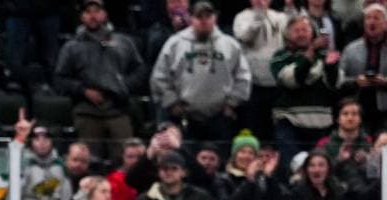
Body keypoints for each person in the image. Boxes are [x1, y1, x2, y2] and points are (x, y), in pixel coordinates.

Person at [54, 0, 146, 167]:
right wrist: (83, 90)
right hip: (87, 111)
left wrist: (123, 85)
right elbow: (60, 79)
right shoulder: (72, 47)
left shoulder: (123, 42)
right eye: (88, 12)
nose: (92, 16)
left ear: (105, 14)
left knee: (128, 161)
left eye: (97, 11)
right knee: (88, 162)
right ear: (82, 17)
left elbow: (140, 71)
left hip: (118, 109)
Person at [150, 1, 252, 147]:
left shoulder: (230, 45)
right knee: (184, 163)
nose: (203, 20)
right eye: (199, 16)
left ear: (215, 18)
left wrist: (232, 104)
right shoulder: (175, 43)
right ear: (191, 18)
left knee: (218, 159)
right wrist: (172, 103)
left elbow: (243, 78)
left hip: (220, 116)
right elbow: (159, 77)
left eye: (208, 16)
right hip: (183, 116)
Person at [270, 13, 343, 166]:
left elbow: (335, 85)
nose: (301, 34)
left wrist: (331, 67)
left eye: (305, 29)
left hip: (321, 124)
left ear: (313, 32)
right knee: (292, 168)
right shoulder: (280, 57)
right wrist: (310, 54)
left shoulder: (324, 55)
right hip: (290, 123)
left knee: (320, 168)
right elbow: (292, 80)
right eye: (296, 30)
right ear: (287, 34)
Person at [234, 0, 290, 139]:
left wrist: (290, 10)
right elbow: (245, 36)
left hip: (278, 84)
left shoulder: (281, 17)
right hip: (253, 85)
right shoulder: (242, 17)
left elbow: (291, 37)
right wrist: (259, 17)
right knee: (254, 128)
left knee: (277, 129)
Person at [339, 3, 387, 132]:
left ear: (385, 24)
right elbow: (339, 80)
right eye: (368, 18)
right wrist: (355, 82)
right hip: (357, 110)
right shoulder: (350, 49)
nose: (372, 22)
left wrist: (385, 82)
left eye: (376, 18)